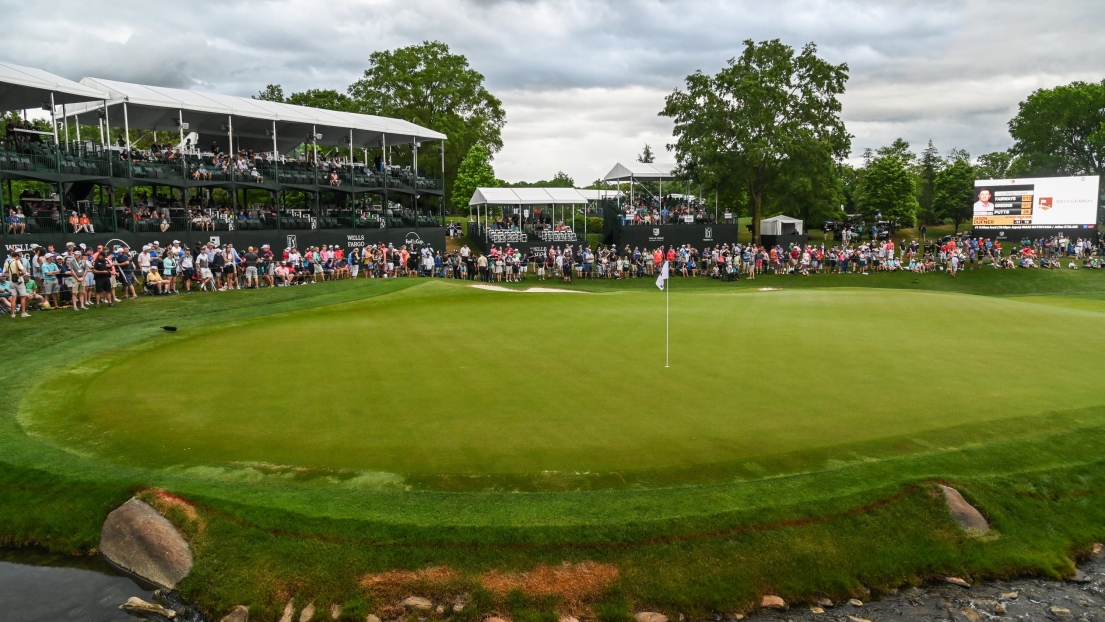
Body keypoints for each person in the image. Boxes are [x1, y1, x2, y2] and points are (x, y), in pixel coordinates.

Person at [3, 250, 30, 317]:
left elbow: (4, 273)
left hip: (11, 282)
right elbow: (23, 272)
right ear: (17, 257)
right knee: (23, 297)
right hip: (19, 282)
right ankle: (23, 313)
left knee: (13, 297)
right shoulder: (17, 261)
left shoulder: (7, 262)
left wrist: (10, 275)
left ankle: (13, 314)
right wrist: (19, 274)